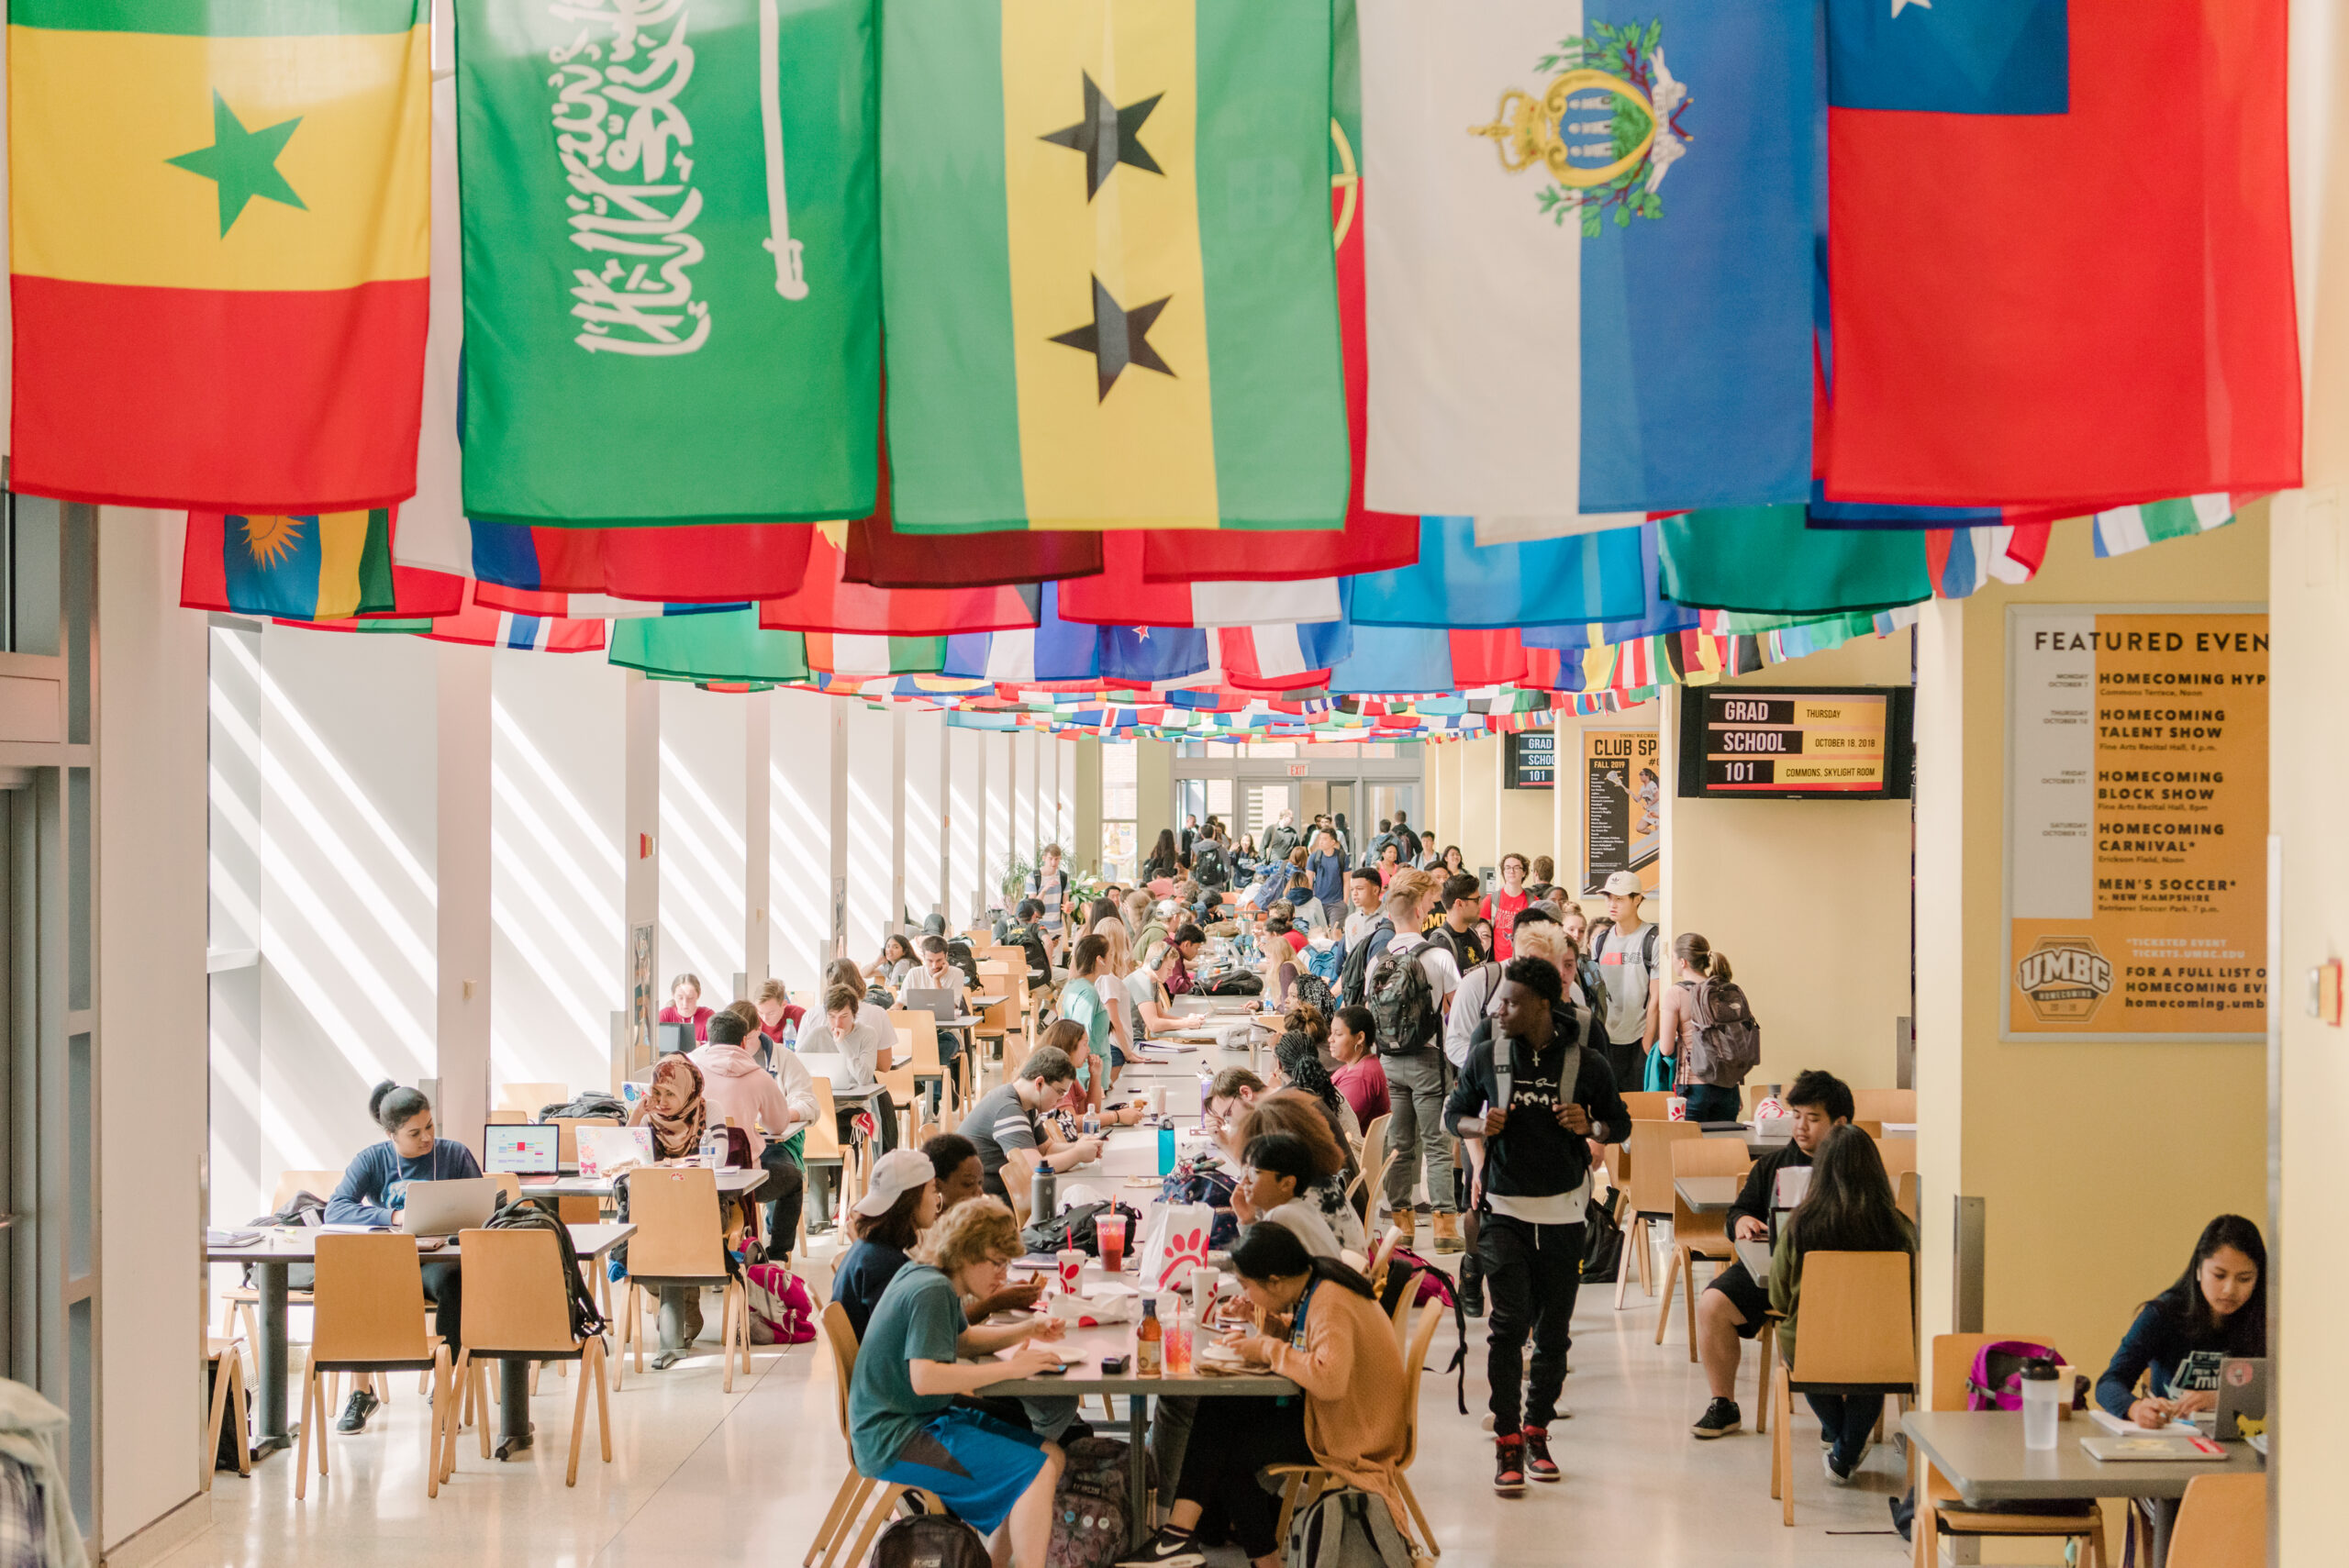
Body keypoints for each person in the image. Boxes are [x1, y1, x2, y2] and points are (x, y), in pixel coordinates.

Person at [1118, 1225, 1409, 1568]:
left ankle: (1245, 1556)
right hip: (1338, 1412)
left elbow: (1331, 1379)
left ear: (1274, 1280)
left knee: (1229, 1454)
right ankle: (1178, 1537)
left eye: (1247, 1287)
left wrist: (1267, 1348)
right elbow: (1309, 1338)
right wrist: (1267, 1326)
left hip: (1352, 1429)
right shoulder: (1318, 1283)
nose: (1246, 1294)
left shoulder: (1331, 1301)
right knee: (1219, 1405)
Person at [1448, 956, 1631, 1490]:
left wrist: (1590, 1123)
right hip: (1503, 1210)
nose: (1496, 1009)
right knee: (1506, 1328)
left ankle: (1537, 1430)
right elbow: (1451, 1116)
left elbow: (1617, 1123)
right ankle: (1506, 1440)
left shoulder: (1588, 1063)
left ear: (1542, 1006)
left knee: (1553, 1333)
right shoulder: (1485, 1056)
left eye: (1508, 1002)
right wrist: (1479, 1123)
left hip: (1565, 1213)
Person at [849, 1199, 1068, 1568]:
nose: (1003, 1275)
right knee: (1039, 1470)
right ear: (965, 1253)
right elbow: (926, 1378)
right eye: (997, 1263)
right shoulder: (931, 1291)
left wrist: (1028, 1329)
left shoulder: (927, 1275)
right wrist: (1011, 1369)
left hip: (909, 1422)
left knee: (1051, 1457)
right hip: (893, 1437)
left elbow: (961, 1341)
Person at [1690, 1069, 1852, 1438]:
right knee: (1713, 1304)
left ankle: (1840, 1414)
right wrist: (1743, 1220)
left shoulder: (1853, 1167)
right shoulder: (1773, 1165)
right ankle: (1724, 1404)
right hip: (1773, 1273)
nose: (1801, 1127)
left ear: (1840, 1123)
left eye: (1813, 1119)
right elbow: (1736, 1212)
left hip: (1837, 1279)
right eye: (1797, 1116)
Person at [326, 1083, 479, 1430]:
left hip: (441, 1264)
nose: (426, 1138)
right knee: (358, 1285)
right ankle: (362, 1393)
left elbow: (482, 1210)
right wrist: (392, 1217)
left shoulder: (455, 1155)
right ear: (391, 1134)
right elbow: (335, 1210)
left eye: (430, 1127)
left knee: (455, 1285)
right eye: (414, 1133)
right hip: (392, 1262)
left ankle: (445, 1385)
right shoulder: (372, 1159)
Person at [1768, 1124, 1916, 1483]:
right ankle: (1844, 1452)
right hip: (1883, 1349)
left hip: (1812, 1346)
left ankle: (1841, 1443)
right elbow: (1911, 1291)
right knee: (1873, 1374)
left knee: (1806, 1361)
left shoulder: (1799, 1227)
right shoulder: (1900, 1229)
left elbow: (1778, 1297)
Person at [1366, 870, 1461, 1252]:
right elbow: (1456, 1012)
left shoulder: (1379, 961)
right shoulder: (1438, 957)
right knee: (1437, 1145)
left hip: (1389, 1061)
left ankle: (1401, 1227)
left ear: (1391, 914)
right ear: (1422, 910)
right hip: (1428, 1061)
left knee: (1398, 1145)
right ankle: (1444, 1230)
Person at [2097, 1214, 2266, 1427]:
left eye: (2244, 1279)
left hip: (2247, 1442)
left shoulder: (2270, 1320)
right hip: (2173, 1438)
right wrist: (2137, 1409)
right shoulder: (2162, 1314)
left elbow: (2294, 1391)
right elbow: (2109, 1382)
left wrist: (2219, 1399)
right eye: (2219, 1275)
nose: (2229, 1290)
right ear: (2198, 1270)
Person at [625, 1053, 724, 1367]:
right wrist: (635, 1118)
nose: (663, 1101)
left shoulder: (710, 1110)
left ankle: (681, 1318)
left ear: (687, 1091)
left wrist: (669, 1166)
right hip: (654, 1208)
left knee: (671, 1238)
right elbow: (627, 1158)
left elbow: (718, 1159)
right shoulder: (647, 1118)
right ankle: (685, 1310)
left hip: (701, 1205)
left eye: (671, 1093)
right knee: (635, 1244)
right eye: (657, 1093)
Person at [693, 1009, 815, 1262]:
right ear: (742, 1042)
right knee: (793, 1178)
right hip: (745, 1179)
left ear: (709, 1041)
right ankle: (778, 1253)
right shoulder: (758, 1075)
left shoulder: (691, 1070)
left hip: (696, 1177)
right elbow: (778, 1126)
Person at [956, 1045, 1105, 1204]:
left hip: (996, 1193)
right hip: (976, 1203)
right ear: (1039, 1083)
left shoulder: (1027, 1105)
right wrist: (1078, 1154)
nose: (1061, 1100)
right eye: (1060, 1092)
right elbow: (1034, 1168)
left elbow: (1047, 1148)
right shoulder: (1008, 1109)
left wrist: (1079, 1145)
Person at [830, 1148, 948, 1340]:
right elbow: (908, 1335)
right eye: (933, 1190)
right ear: (910, 1200)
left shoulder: (871, 1248)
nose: (937, 1200)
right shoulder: (884, 1265)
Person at [1235, 1090, 1366, 1253]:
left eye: (1256, 1168)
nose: (1246, 1178)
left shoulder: (1288, 1210)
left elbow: (1257, 1266)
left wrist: (1247, 1221)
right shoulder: (1322, 1187)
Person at [797, 981, 900, 1152]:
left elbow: (864, 1077)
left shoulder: (867, 1034)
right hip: (822, 1104)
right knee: (814, 1128)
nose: (837, 1023)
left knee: (844, 1143)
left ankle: (843, 1176)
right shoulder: (817, 1034)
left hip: (851, 1104)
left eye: (843, 1016)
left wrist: (842, 1043)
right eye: (831, 1016)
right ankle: (853, 1120)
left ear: (854, 1013)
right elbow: (797, 1065)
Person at [1654, 932, 1748, 1121]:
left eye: (1672, 957)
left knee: (1690, 1147)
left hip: (1693, 1087)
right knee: (1722, 1148)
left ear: (1683, 962)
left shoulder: (1676, 993)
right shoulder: (1725, 990)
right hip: (1728, 1087)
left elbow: (1666, 1049)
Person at [1587, 870, 1661, 1093]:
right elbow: (1594, 992)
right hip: (1606, 1039)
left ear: (1637, 899)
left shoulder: (1653, 939)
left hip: (1639, 1040)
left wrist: (1647, 1044)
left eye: (1619, 898)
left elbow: (1656, 999)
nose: (1612, 903)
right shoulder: (1600, 940)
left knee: (1638, 1108)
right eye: (1609, 897)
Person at [1234, 1134, 1344, 1258]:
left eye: (1254, 1173)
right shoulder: (1300, 1208)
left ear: (1287, 1183)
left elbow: (1253, 1267)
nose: (1244, 1181)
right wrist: (1247, 1219)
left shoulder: (1281, 1215)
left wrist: (1247, 1223)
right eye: (1245, 1170)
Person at [1271, 1027, 1360, 1144]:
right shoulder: (1332, 1092)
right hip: (1356, 1159)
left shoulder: (1291, 1104)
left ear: (1279, 1064)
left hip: (1334, 1160)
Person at [1329, 1006, 1390, 1128]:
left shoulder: (1360, 1077)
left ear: (1360, 1038)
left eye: (1338, 1034)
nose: (1330, 1039)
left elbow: (1339, 1125)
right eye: (1331, 1033)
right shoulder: (1357, 1066)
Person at [1024, 843, 1072, 960]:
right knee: (1040, 962)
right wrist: (1045, 889)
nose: (1054, 863)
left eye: (1057, 859)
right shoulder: (1033, 876)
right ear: (1044, 858)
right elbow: (1032, 905)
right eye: (1051, 859)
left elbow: (1065, 906)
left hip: (1057, 928)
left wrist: (1069, 907)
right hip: (1039, 928)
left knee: (1055, 965)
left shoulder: (1064, 877)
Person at [1433, 873, 1489, 969]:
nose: (1481, 905)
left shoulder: (1473, 933)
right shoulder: (1441, 944)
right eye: (1476, 900)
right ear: (1459, 904)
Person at [1484, 853, 1532, 962]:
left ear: (1524, 872)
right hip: (1497, 963)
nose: (1512, 871)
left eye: (1516, 867)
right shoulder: (1491, 900)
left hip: (1524, 962)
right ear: (1503, 872)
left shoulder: (1533, 902)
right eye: (1508, 868)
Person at [659, 972, 715, 1043]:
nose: (685, 1003)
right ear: (673, 995)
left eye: (690, 998)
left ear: (698, 995)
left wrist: (698, 1045)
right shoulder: (664, 1015)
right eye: (680, 998)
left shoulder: (708, 1016)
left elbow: (716, 1046)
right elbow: (654, 1045)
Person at [1160, 923, 1208, 996]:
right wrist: (1190, 984)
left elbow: (1185, 979)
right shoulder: (1172, 954)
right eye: (1196, 948)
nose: (1197, 952)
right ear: (1187, 944)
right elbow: (1177, 987)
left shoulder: (1176, 951)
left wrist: (1187, 983)